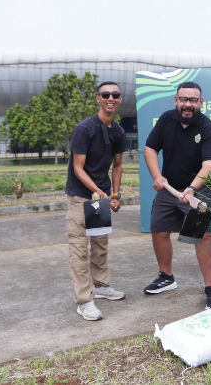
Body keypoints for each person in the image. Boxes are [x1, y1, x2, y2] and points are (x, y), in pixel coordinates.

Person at [144, 81, 211, 309]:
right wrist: (157, 176)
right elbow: (150, 148)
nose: (188, 104)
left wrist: (193, 189)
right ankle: (166, 278)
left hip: (198, 191)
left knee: (201, 236)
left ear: (201, 103)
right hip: (169, 190)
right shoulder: (167, 119)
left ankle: (210, 288)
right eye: (184, 99)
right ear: (176, 100)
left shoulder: (207, 128)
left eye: (193, 100)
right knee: (158, 230)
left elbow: (210, 165)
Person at [65, 81, 127, 321]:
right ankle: (84, 300)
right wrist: (98, 191)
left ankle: (101, 287)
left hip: (101, 198)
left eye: (115, 95)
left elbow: (118, 165)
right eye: (106, 94)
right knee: (79, 250)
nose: (110, 98)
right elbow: (78, 168)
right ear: (98, 98)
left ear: (120, 99)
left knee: (100, 245)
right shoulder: (84, 128)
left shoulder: (118, 130)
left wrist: (114, 195)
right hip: (81, 197)